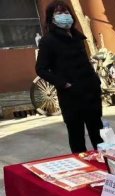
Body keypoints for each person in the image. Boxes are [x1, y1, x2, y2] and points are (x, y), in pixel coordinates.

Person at [36, 1, 103, 153]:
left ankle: (104, 162)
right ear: (52, 18)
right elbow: (41, 69)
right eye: (59, 13)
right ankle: (82, 165)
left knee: (99, 134)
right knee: (76, 136)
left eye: (66, 12)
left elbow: (85, 63)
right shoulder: (48, 41)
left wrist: (95, 81)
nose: (64, 16)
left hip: (90, 92)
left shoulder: (78, 37)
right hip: (71, 95)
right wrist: (63, 84)